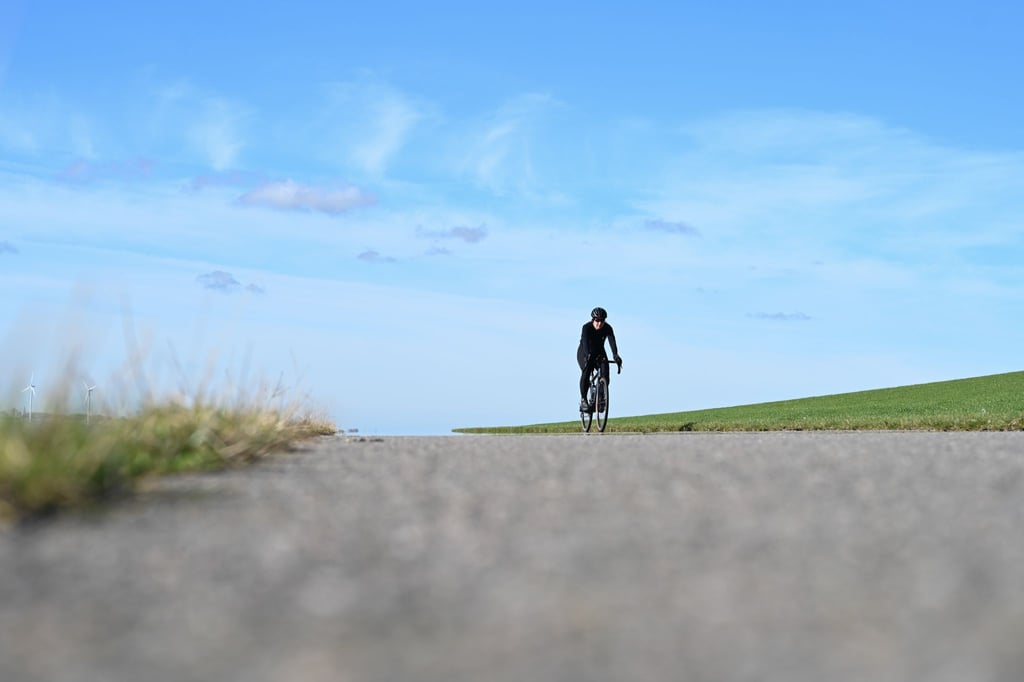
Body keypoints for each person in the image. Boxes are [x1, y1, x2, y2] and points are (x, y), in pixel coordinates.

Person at [578, 307, 622, 412]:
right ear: (593, 320)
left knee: (605, 372)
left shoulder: (608, 328)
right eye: (597, 320)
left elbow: (612, 342)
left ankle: (601, 399)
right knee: (587, 371)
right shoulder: (586, 327)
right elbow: (584, 342)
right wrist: (588, 355)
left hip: (599, 351)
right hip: (584, 351)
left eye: (602, 321)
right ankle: (583, 400)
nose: (599, 323)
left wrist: (616, 355)